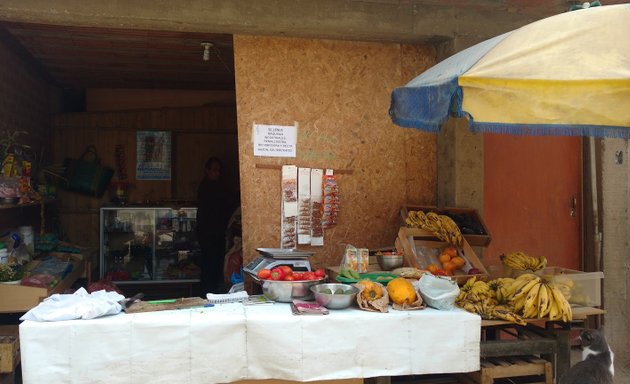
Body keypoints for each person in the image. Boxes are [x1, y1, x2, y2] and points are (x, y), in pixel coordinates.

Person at [196, 156, 234, 296]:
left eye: (219, 170)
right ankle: (206, 293)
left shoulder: (218, 186)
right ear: (207, 171)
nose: (217, 173)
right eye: (214, 170)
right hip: (208, 234)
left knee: (216, 264)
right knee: (209, 265)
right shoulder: (206, 187)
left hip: (217, 233)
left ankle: (212, 292)